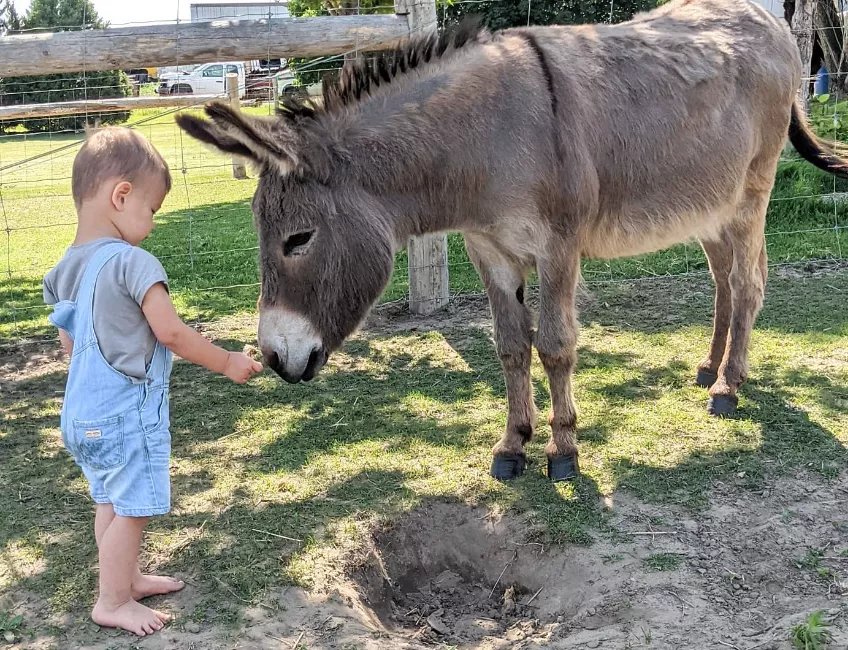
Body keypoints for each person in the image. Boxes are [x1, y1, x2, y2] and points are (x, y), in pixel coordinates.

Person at [43, 127, 262, 636]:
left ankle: (126, 577)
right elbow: (170, 332)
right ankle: (113, 601)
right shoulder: (133, 262)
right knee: (135, 506)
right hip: (124, 414)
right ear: (121, 196)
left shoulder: (62, 271)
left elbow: (72, 350)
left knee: (110, 501)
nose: (153, 224)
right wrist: (226, 361)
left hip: (81, 416)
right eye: (153, 210)